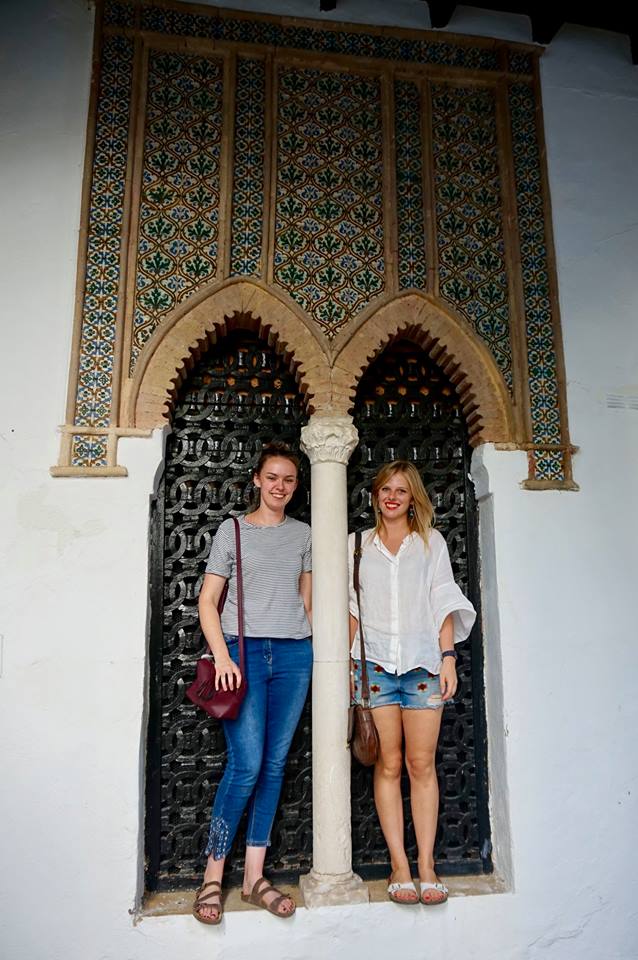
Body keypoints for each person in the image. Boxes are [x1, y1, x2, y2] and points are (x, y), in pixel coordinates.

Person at [193, 442, 312, 924]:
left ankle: (253, 877)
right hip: (241, 653)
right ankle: (212, 875)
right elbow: (207, 601)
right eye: (272, 477)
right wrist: (223, 655)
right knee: (246, 765)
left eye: (288, 480)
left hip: (293, 654)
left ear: (295, 486)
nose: (279, 486)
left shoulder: (304, 533)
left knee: (275, 765)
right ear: (257, 481)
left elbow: (308, 601)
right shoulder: (233, 530)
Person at [348, 461, 475, 906]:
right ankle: (399, 866)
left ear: (413, 497)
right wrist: (347, 669)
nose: (392, 497)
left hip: (422, 668)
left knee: (422, 766)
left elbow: (443, 601)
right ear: (374, 495)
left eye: (401, 490)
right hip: (375, 667)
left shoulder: (430, 543)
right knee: (387, 764)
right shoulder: (356, 546)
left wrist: (447, 658)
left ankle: (426, 865)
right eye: (385, 488)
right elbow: (350, 608)